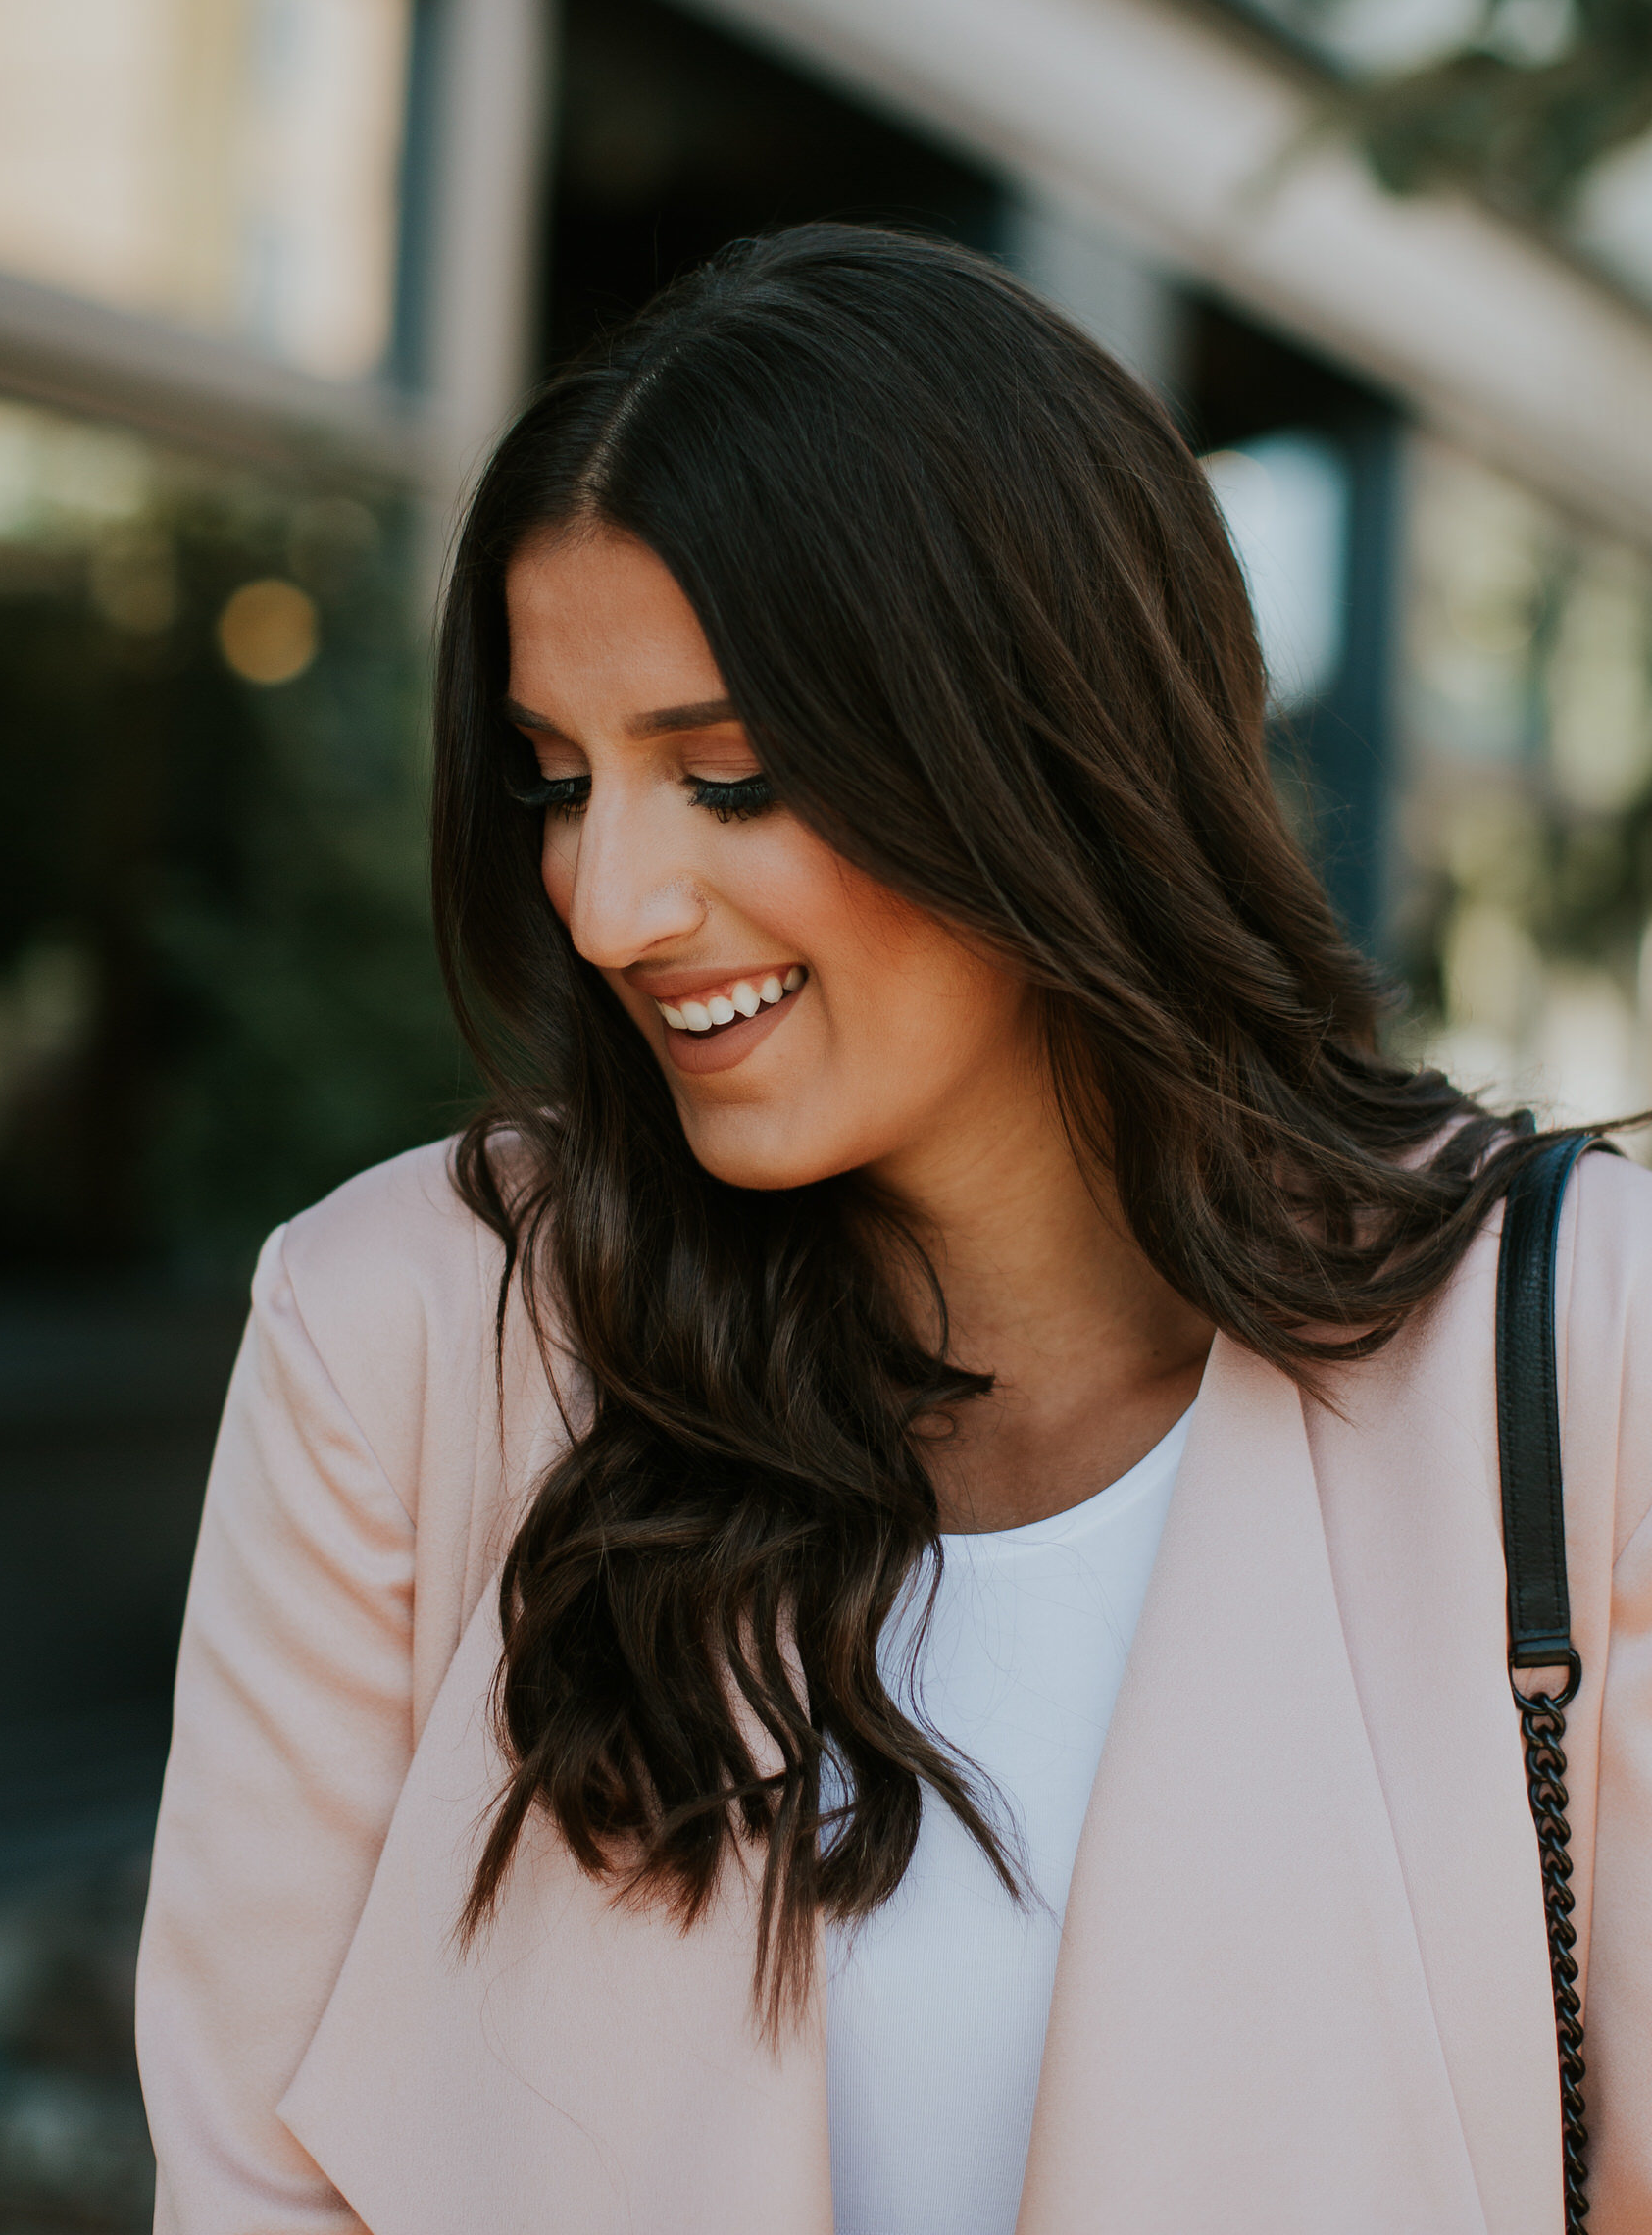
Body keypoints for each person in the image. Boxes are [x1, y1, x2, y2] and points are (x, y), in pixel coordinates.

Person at [136, 226, 1652, 2235]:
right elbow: (254, 2182)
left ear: (1036, 747)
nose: (605, 906)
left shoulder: (1576, 1349)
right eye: (557, 780)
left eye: (729, 774)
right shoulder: (400, 1333)